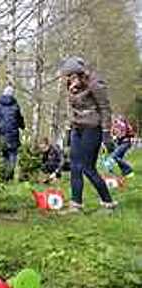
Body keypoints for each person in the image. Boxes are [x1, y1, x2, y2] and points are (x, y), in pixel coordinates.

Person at [59, 56, 117, 212]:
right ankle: (75, 204)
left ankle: (108, 202)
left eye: (70, 75)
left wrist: (106, 133)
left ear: (78, 72)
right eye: (67, 76)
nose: (68, 78)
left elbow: (105, 109)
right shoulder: (70, 85)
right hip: (77, 128)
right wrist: (68, 130)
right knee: (74, 166)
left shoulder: (95, 84)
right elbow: (71, 108)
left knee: (87, 167)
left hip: (92, 128)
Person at [0, 85, 25, 181]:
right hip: (12, 136)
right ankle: (9, 177)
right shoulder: (15, 106)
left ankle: (1, 177)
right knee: (12, 156)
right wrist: (22, 126)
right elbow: (20, 121)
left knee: (2, 156)